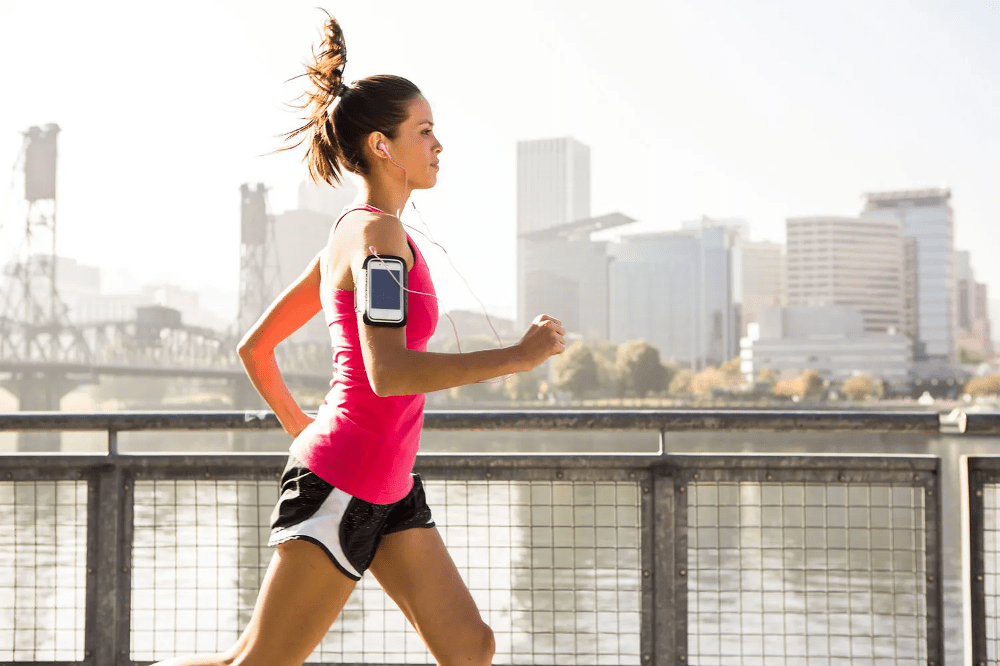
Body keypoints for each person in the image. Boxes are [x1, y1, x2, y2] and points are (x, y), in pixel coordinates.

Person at [153, 12, 565, 666]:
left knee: (470, 646)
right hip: (345, 482)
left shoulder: (353, 236)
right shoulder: (376, 239)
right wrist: (519, 356)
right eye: (424, 131)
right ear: (382, 145)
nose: (438, 145)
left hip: (389, 486)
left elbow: (254, 349)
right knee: (260, 664)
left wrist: (303, 433)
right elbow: (389, 372)